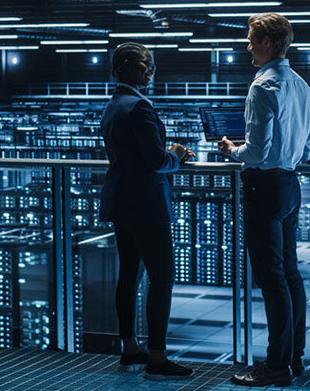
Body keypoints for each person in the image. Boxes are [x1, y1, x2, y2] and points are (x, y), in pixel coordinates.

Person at [219, 13, 310, 387]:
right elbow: (306, 148)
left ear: (269, 43)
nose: (247, 48)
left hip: (263, 188)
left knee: (272, 279)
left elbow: (256, 152)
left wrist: (232, 150)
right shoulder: (303, 87)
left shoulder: (263, 87)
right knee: (290, 274)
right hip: (291, 184)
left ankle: (275, 366)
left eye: (252, 41)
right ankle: (292, 359)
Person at [100, 42, 196, 381]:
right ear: (125, 67)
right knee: (162, 277)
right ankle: (157, 357)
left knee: (129, 274)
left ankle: (130, 350)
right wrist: (177, 155)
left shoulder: (114, 104)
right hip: (146, 205)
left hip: (121, 202)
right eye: (145, 65)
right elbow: (156, 161)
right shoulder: (139, 107)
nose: (150, 71)